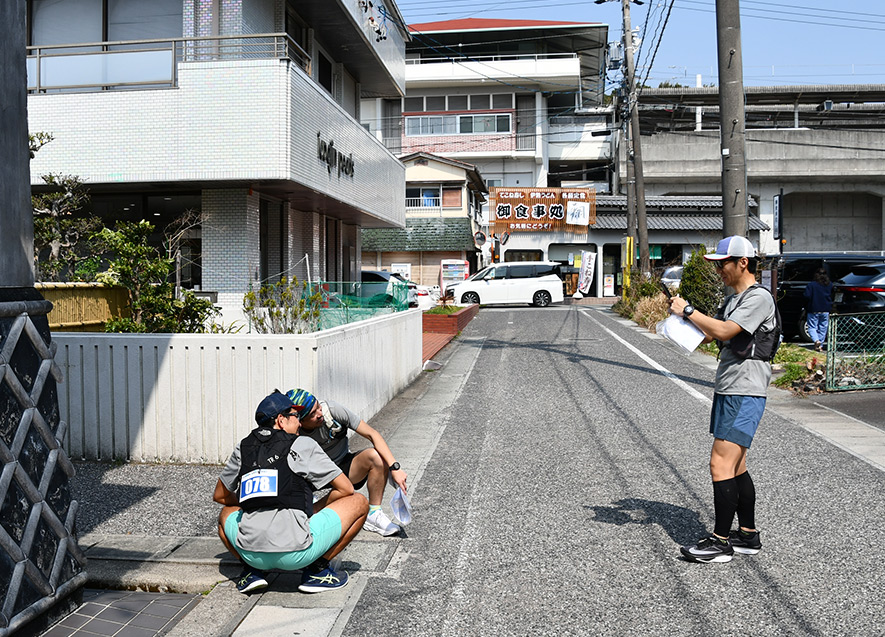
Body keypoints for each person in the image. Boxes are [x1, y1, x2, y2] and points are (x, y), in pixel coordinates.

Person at [668, 236, 776, 564]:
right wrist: (681, 320)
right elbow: (712, 333)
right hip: (730, 388)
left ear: (743, 262)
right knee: (737, 465)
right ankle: (747, 535)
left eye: (723, 263)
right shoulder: (734, 300)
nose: (719, 271)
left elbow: (727, 331)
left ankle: (720, 542)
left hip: (745, 390)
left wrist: (689, 310)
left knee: (720, 463)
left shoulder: (758, 297)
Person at [213, 390, 369, 594]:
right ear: (281, 420)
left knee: (226, 513)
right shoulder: (302, 444)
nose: (300, 422)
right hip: (297, 554)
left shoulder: (243, 447)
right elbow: (345, 488)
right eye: (295, 416)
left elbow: (220, 496)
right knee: (359, 501)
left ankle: (252, 571)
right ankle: (316, 571)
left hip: (251, 553)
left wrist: (253, 502)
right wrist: (312, 509)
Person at [286, 388, 407, 536]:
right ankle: (307, 506)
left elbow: (372, 434)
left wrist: (395, 467)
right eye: (312, 414)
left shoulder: (332, 411)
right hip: (311, 476)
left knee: (376, 457)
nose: (319, 414)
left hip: (341, 467)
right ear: (300, 421)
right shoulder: (291, 431)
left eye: (318, 407)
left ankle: (374, 514)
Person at [804, 267, 833, 352]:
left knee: (812, 327)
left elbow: (807, 296)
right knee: (823, 328)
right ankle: (820, 344)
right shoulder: (829, 284)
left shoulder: (811, 285)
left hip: (813, 308)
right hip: (826, 309)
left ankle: (816, 341)